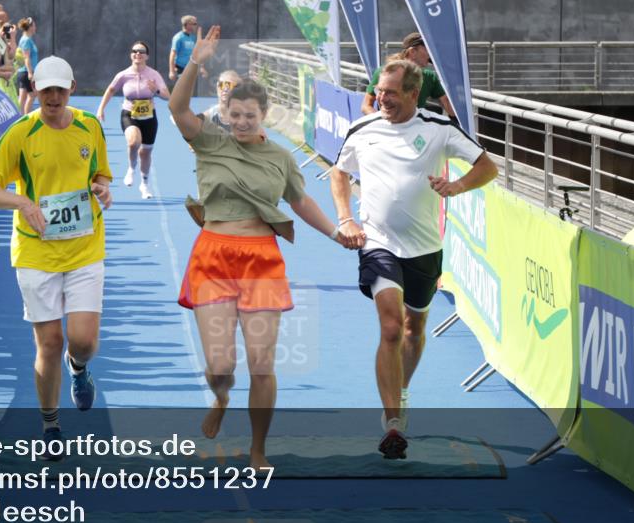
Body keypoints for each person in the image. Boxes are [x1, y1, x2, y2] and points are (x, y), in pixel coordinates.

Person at [169, 25, 348, 469]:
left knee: (262, 364)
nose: (243, 121)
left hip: (261, 261)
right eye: (237, 114)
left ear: (264, 114)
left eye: (252, 115)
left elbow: (301, 201)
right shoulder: (208, 142)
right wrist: (195, 62)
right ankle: (221, 397)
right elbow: (176, 107)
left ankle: (257, 449)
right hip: (213, 256)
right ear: (226, 112)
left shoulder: (281, 157)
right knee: (221, 366)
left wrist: (335, 232)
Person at [330, 59, 498, 459]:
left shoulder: (437, 128)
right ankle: (393, 421)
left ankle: (401, 388)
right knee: (390, 327)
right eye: (379, 90)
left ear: (412, 93)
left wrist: (455, 186)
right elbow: (339, 174)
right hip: (377, 243)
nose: (381, 98)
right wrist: (345, 219)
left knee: (413, 327)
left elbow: (487, 167)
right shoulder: (363, 129)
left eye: (390, 92)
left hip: (424, 247)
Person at [0, 56, 113, 459]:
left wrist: (103, 188)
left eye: (60, 89)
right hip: (36, 251)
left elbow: (100, 173)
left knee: (83, 341)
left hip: (85, 246)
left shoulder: (90, 125)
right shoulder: (21, 132)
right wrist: (22, 202)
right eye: (46, 90)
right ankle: (50, 423)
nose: (53, 97)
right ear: (35, 89)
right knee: (49, 342)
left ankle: (80, 368)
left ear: (72, 88)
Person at [96, 41, 169, 199]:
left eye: (142, 51)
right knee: (133, 142)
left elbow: (167, 95)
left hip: (149, 117)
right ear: (131, 55)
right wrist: (101, 109)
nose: (138, 54)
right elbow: (110, 90)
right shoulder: (123, 75)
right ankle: (131, 168)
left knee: (145, 153)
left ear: (147, 56)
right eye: (135, 51)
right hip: (129, 114)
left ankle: (144, 184)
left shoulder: (154, 74)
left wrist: (155, 90)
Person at [360, 33, 455, 119]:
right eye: (428, 48)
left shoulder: (430, 76)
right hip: (392, 129)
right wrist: (382, 121)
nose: (432, 53)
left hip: (417, 130)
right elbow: (366, 106)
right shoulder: (384, 72)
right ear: (413, 52)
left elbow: (447, 104)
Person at [168, 15, 206, 83]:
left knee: (191, 90)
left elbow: (198, 53)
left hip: (192, 68)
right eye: (194, 24)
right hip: (181, 69)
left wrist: (202, 67)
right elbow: (172, 55)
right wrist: (171, 71)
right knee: (182, 90)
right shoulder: (178, 37)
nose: (196, 26)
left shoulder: (193, 37)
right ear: (187, 24)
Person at [15, 17, 39, 114]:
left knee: (23, 97)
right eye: (34, 25)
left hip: (24, 72)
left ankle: (19, 117)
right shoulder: (26, 40)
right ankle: (26, 117)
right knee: (32, 95)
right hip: (26, 72)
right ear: (30, 27)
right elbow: (26, 57)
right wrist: (30, 72)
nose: (35, 27)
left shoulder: (28, 39)